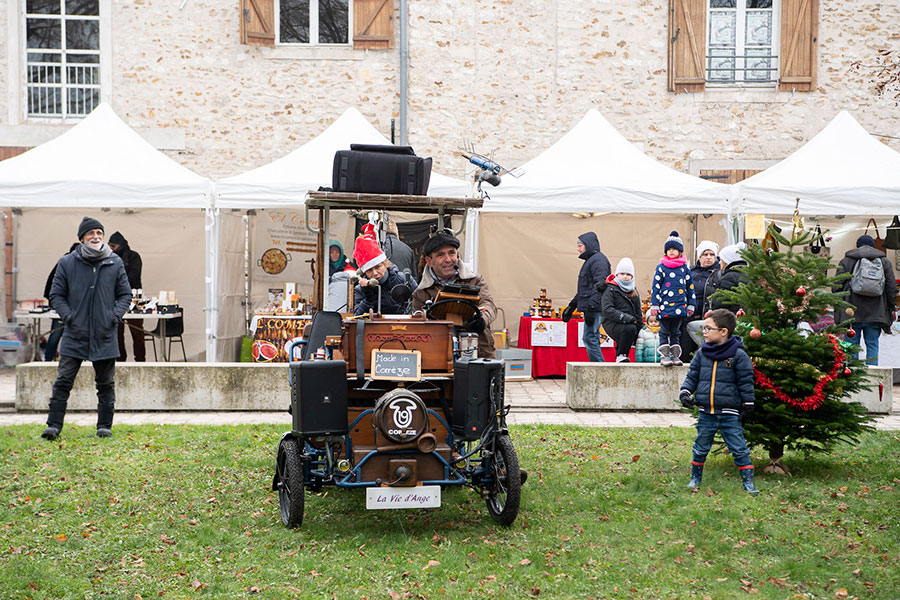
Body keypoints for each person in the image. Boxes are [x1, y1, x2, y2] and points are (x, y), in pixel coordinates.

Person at [41, 217, 132, 440]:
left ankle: (104, 427)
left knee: (106, 384)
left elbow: (125, 294)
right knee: (63, 382)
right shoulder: (67, 262)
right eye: (91, 233)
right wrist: (69, 317)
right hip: (75, 334)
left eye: (99, 233)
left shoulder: (114, 262)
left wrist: (113, 316)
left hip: (104, 333)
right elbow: (56, 295)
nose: (96, 237)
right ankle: (53, 426)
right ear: (81, 238)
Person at [679, 308, 758, 495]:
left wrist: (748, 403)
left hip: (730, 413)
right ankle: (695, 478)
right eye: (704, 328)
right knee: (700, 446)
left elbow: (746, 382)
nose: (704, 332)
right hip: (707, 412)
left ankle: (748, 482)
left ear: (724, 332)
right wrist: (685, 392)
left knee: (739, 448)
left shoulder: (738, 356)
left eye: (708, 328)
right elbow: (692, 376)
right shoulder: (702, 353)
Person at [412, 228, 497, 358]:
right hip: (439, 355)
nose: (448, 259)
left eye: (451, 253)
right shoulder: (421, 293)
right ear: (429, 261)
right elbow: (418, 326)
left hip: (479, 354)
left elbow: (489, 305)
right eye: (440, 255)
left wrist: (482, 319)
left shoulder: (475, 280)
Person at [834, 234, 897, 365]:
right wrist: (890, 309)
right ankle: (872, 380)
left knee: (851, 346)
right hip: (876, 312)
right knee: (872, 344)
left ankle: (851, 378)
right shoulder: (884, 261)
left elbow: (836, 286)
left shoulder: (847, 260)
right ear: (873, 246)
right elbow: (891, 288)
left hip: (850, 312)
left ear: (857, 246)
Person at [561, 233, 610, 362]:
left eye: (580, 246)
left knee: (589, 338)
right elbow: (585, 289)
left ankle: (601, 371)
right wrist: (572, 306)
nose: (578, 249)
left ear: (588, 245)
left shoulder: (599, 261)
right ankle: (599, 370)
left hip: (595, 307)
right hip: (592, 306)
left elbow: (600, 286)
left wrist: (592, 308)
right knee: (592, 337)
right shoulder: (592, 260)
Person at [651, 231, 695, 367]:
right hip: (664, 306)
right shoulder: (661, 268)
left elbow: (690, 287)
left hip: (680, 306)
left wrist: (691, 305)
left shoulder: (685, 269)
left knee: (676, 332)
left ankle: (675, 355)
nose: (671, 252)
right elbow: (655, 287)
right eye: (669, 249)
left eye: (674, 249)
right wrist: (654, 304)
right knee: (664, 332)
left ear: (680, 251)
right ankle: (665, 356)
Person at [352, 223, 417, 315]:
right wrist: (368, 297)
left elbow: (420, 302)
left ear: (385, 264)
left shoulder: (403, 279)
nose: (375, 273)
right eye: (369, 270)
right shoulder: (360, 289)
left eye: (378, 267)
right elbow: (357, 316)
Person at [108, 231, 145, 362]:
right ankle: (120, 361)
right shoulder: (110, 258)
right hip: (116, 299)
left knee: (137, 331)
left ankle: (140, 361)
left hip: (133, 299)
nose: (111, 248)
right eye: (110, 246)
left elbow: (134, 276)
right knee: (117, 332)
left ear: (120, 245)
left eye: (113, 246)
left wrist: (117, 283)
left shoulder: (133, 257)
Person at [681, 240, 720, 359]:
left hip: (708, 319)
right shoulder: (690, 272)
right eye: (705, 254)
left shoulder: (719, 273)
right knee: (685, 353)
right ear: (699, 257)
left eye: (712, 254)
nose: (709, 257)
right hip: (688, 318)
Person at [42, 243, 80, 361]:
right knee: (57, 335)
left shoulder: (66, 262)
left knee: (58, 335)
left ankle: (54, 360)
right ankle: (48, 361)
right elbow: (52, 285)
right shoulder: (66, 264)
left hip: (68, 306)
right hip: (64, 306)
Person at [600, 258, 642, 362]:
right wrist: (627, 318)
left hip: (630, 322)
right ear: (617, 274)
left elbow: (638, 311)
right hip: (612, 322)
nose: (625, 276)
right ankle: (621, 355)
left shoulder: (633, 290)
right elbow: (607, 309)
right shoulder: (610, 288)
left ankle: (623, 356)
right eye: (622, 273)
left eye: (628, 274)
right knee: (630, 329)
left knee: (636, 331)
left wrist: (639, 328)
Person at [709, 242, 748, 314]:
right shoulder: (747, 274)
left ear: (727, 261)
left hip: (732, 317)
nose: (719, 263)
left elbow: (721, 301)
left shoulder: (729, 277)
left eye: (721, 260)